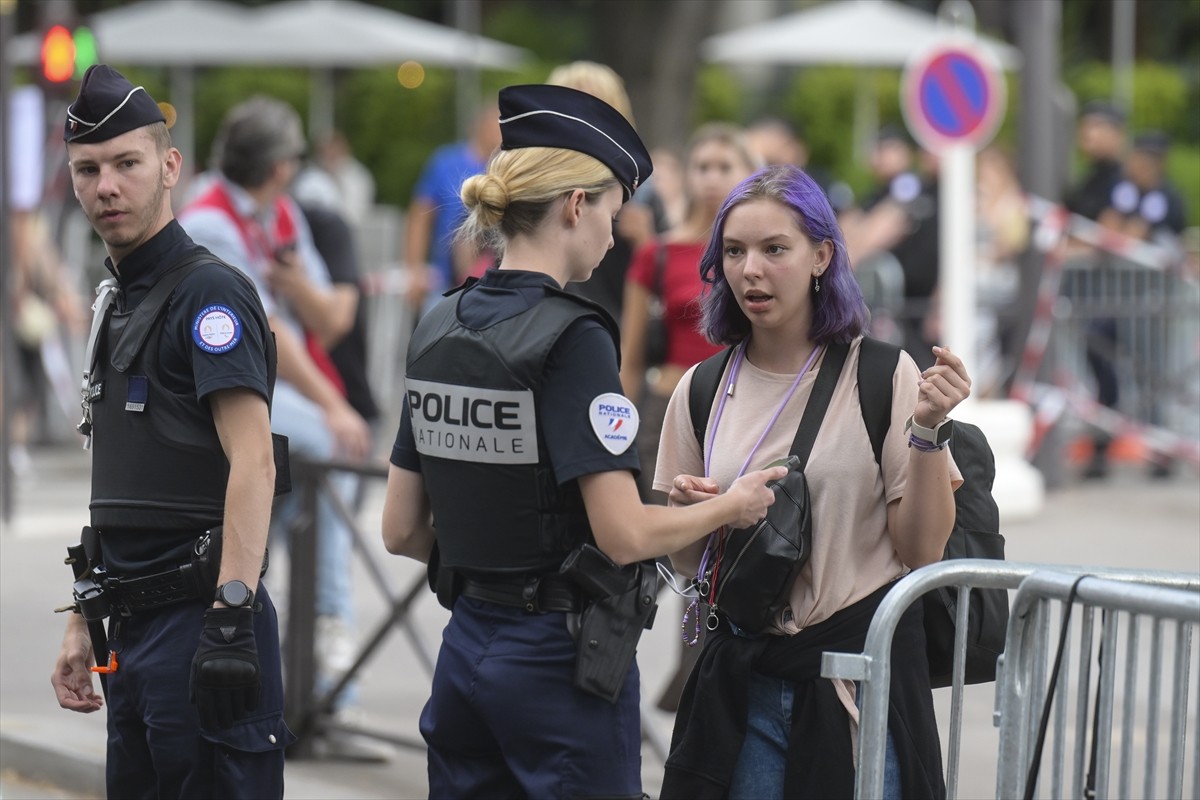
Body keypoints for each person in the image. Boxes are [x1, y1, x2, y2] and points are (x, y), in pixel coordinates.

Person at [380, 83, 787, 799]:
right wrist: (732, 507)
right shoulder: (574, 337)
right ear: (575, 205)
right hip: (555, 668)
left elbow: (400, 529)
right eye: (611, 210)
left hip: (465, 650)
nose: (612, 232)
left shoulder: (438, 323)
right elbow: (624, 534)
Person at [655, 164, 970, 798]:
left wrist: (930, 431)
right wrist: (697, 514)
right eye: (735, 252)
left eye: (776, 249)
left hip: (855, 690)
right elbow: (685, 560)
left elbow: (923, 552)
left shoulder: (882, 375)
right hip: (741, 689)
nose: (751, 271)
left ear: (822, 255)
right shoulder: (702, 389)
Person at [49, 64, 292, 798]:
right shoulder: (117, 296)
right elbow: (119, 476)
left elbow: (255, 461)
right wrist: (83, 616)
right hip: (131, 632)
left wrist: (232, 612)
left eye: (127, 164)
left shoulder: (208, 292)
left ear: (169, 166)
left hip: (202, 622)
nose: (107, 187)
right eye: (88, 170)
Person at [177, 96, 376, 746]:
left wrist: (296, 289)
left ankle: (317, 665)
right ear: (281, 166)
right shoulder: (212, 222)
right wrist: (333, 403)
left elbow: (327, 318)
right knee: (327, 445)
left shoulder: (276, 214)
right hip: (235, 387)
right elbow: (264, 332)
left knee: (307, 511)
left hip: (276, 382)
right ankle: (326, 635)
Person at [619, 122, 759, 498]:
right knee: (667, 539)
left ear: (750, 173)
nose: (711, 178)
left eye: (724, 167)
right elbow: (630, 358)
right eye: (702, 167)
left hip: (745, 407)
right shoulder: (658, 252)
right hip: (668, 406)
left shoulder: (763, 256)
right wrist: (616, 436)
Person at [548, 60, 653, 320]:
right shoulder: (538, 181)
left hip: (614, 329)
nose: (583, 119)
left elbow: (663, 289)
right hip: (545, 323)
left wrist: (647, 244)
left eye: (595, 106)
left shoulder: (641, 188)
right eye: (571, 107)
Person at [403, 102, 501, 315]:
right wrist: (415, 269)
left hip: (491, 283)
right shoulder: (445, 162)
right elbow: (419, 217)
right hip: (444, 280)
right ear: (481, 125)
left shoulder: (505, 168)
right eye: (497, 124)